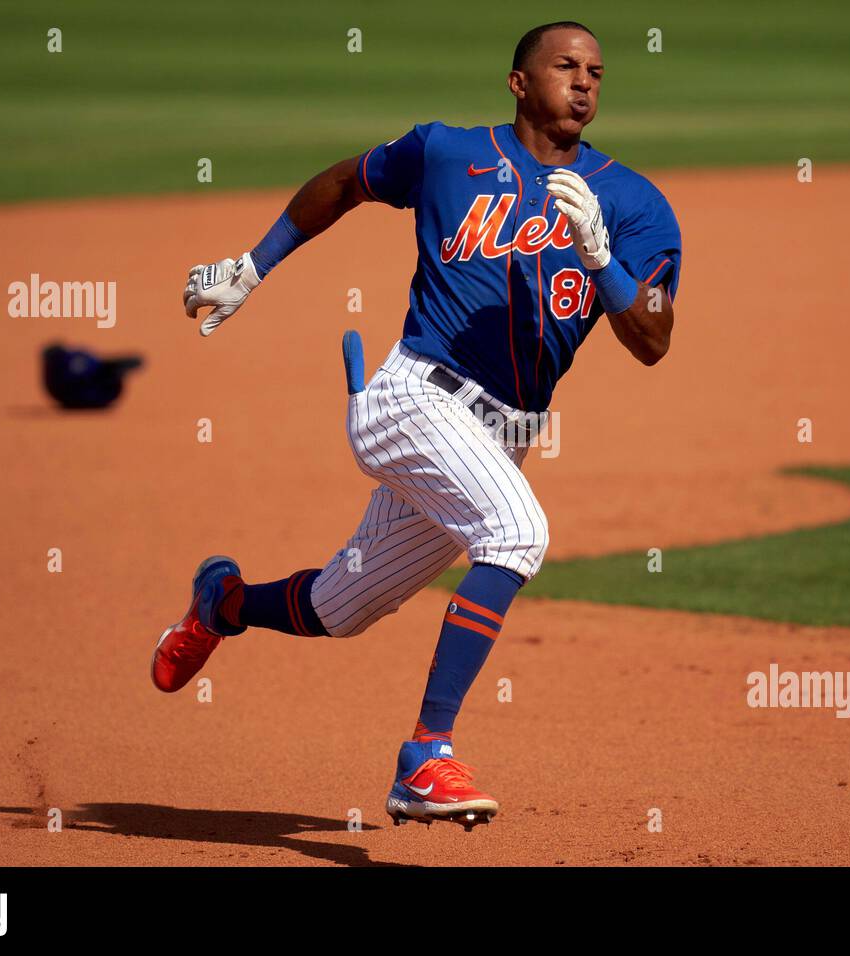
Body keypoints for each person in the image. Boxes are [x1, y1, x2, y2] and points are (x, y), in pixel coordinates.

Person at [154, 21, 682, 829]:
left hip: (499, 438)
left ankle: (220, 603)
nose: (585, 83)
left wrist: (602, 255)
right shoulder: (444, 154)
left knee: (341, 607)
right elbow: (343, 183)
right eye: (566, 67)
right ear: (518, 83)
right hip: (410, 400)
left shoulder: (634, 203)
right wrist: (250, 269)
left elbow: (652, 340)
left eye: (598, 73)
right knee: (516, 533)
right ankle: (426, 756)